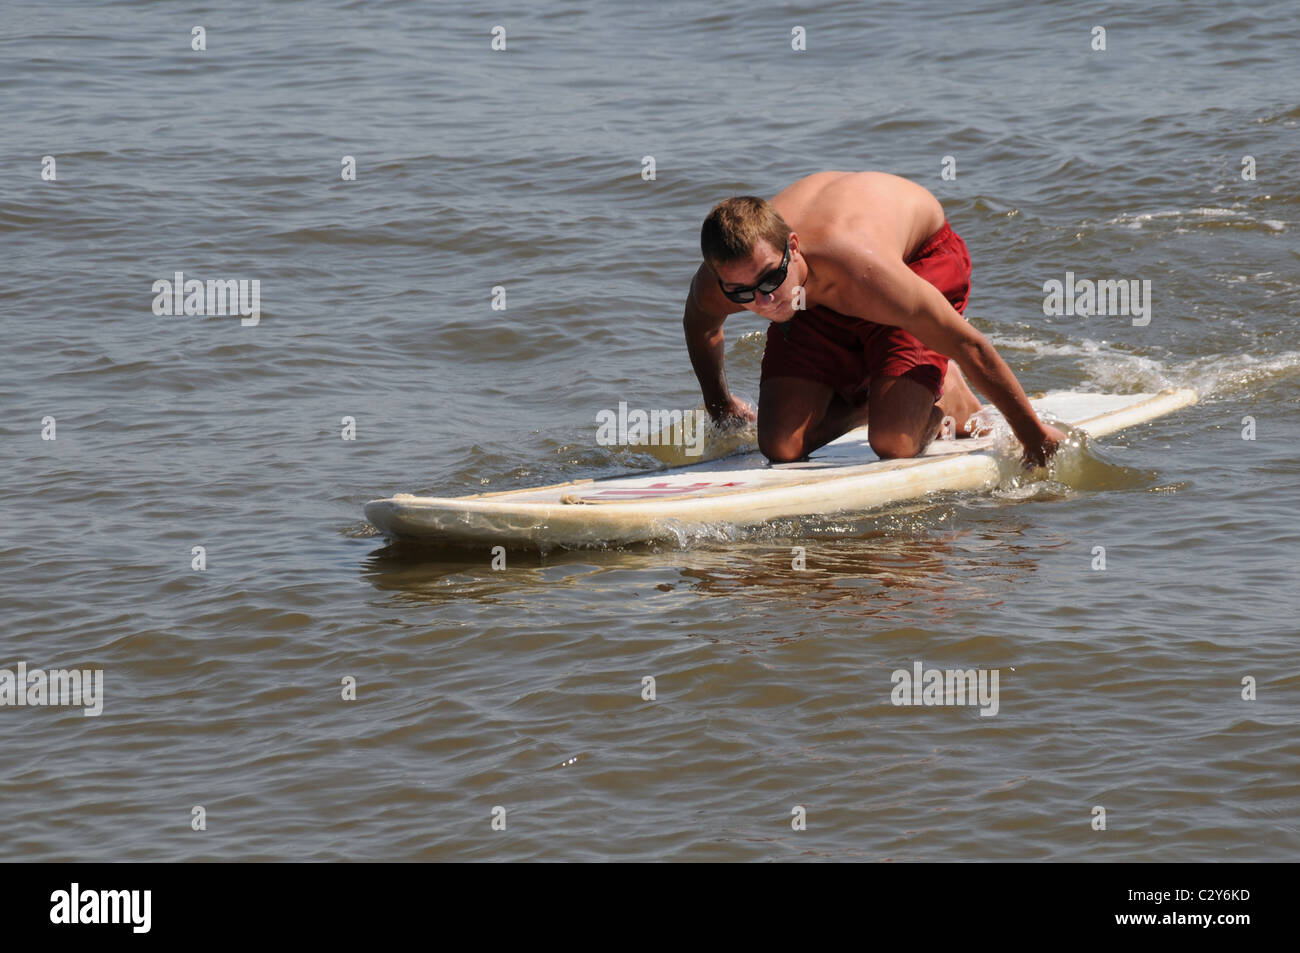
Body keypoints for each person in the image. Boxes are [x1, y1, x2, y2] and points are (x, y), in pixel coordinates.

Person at [682, 171, 1064, 467]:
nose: (763, 300)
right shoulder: (726, 284)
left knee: (893, 443)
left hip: (914, 261)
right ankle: (879, 394)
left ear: (793, 248)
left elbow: (968, 345)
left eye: (769, 278)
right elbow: (701, 327)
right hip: (815, 294)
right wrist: (720, 405)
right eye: (741, 293)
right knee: (781, 446)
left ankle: (946, 391)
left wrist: (1034, 436)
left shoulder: (865, 271)